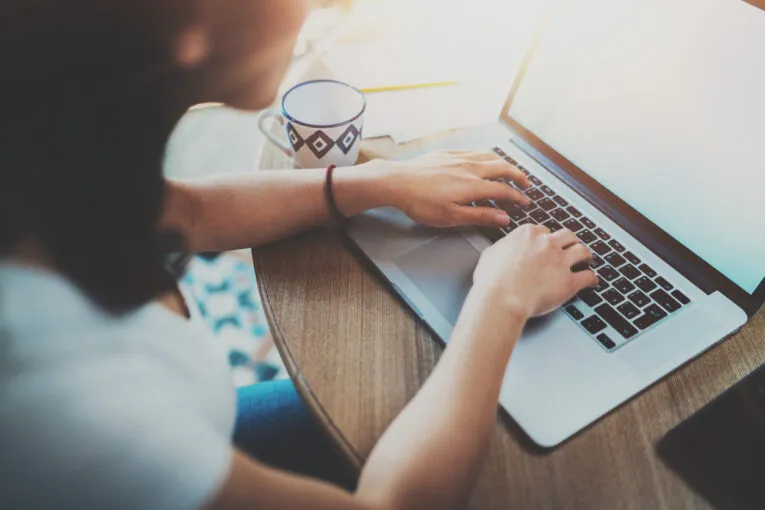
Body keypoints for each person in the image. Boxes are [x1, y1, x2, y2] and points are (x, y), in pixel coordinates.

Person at [0, 1, 598, 509]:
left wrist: (382, 182)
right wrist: (500, 299)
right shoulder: (69, 407)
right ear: (196, 25)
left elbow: (188, 213)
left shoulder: (49, 157)